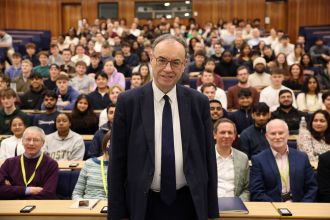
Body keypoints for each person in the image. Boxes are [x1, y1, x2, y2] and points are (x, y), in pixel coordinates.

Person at [109, 34, 218, 220]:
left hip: (189, 202)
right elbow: (117, 162)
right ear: (151, 60)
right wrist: (118, 213)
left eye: (175, 62)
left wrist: (210, 209)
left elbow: (208, 158)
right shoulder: (128, 102)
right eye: (162, 60)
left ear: (184, 65)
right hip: (144, 204)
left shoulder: (198, 102)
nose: (168, 69)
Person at [250, 119, 318, 202]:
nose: (277, 137)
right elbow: (257, 192)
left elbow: (312, 187)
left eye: (281, 133)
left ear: (288, 134)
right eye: (273, 134)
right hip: (272, 208)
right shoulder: (258, 160)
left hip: (300, 206)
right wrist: (277, 207)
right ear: (266, 137)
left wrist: (303, 206)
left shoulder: (302, 157)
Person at [0, 126, 59, 199]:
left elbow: (48, 194)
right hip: (12, 207)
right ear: (22, 141)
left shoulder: (51, 164)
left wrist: (13, 191)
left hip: (39, 207)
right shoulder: (9, 163)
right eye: (28, 139)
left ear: (43, 143)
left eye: (36, 140)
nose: (31, 143)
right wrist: (27, 190)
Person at [214, 118, 250, 201]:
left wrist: (238, 202)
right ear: (214, 135)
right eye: (222, 132)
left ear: (234, 136)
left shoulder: (243, 158)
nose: (226, 136)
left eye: (230, 133)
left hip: (236, 205)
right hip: (211, 205)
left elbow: (247, 189)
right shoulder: (205, 157)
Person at [72, 131, 110, 199]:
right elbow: (77, 193)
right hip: (88, 206)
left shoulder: (124, 167)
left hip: (111, 207)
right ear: (106, 143)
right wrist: (82, 205)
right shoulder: (89, 164)